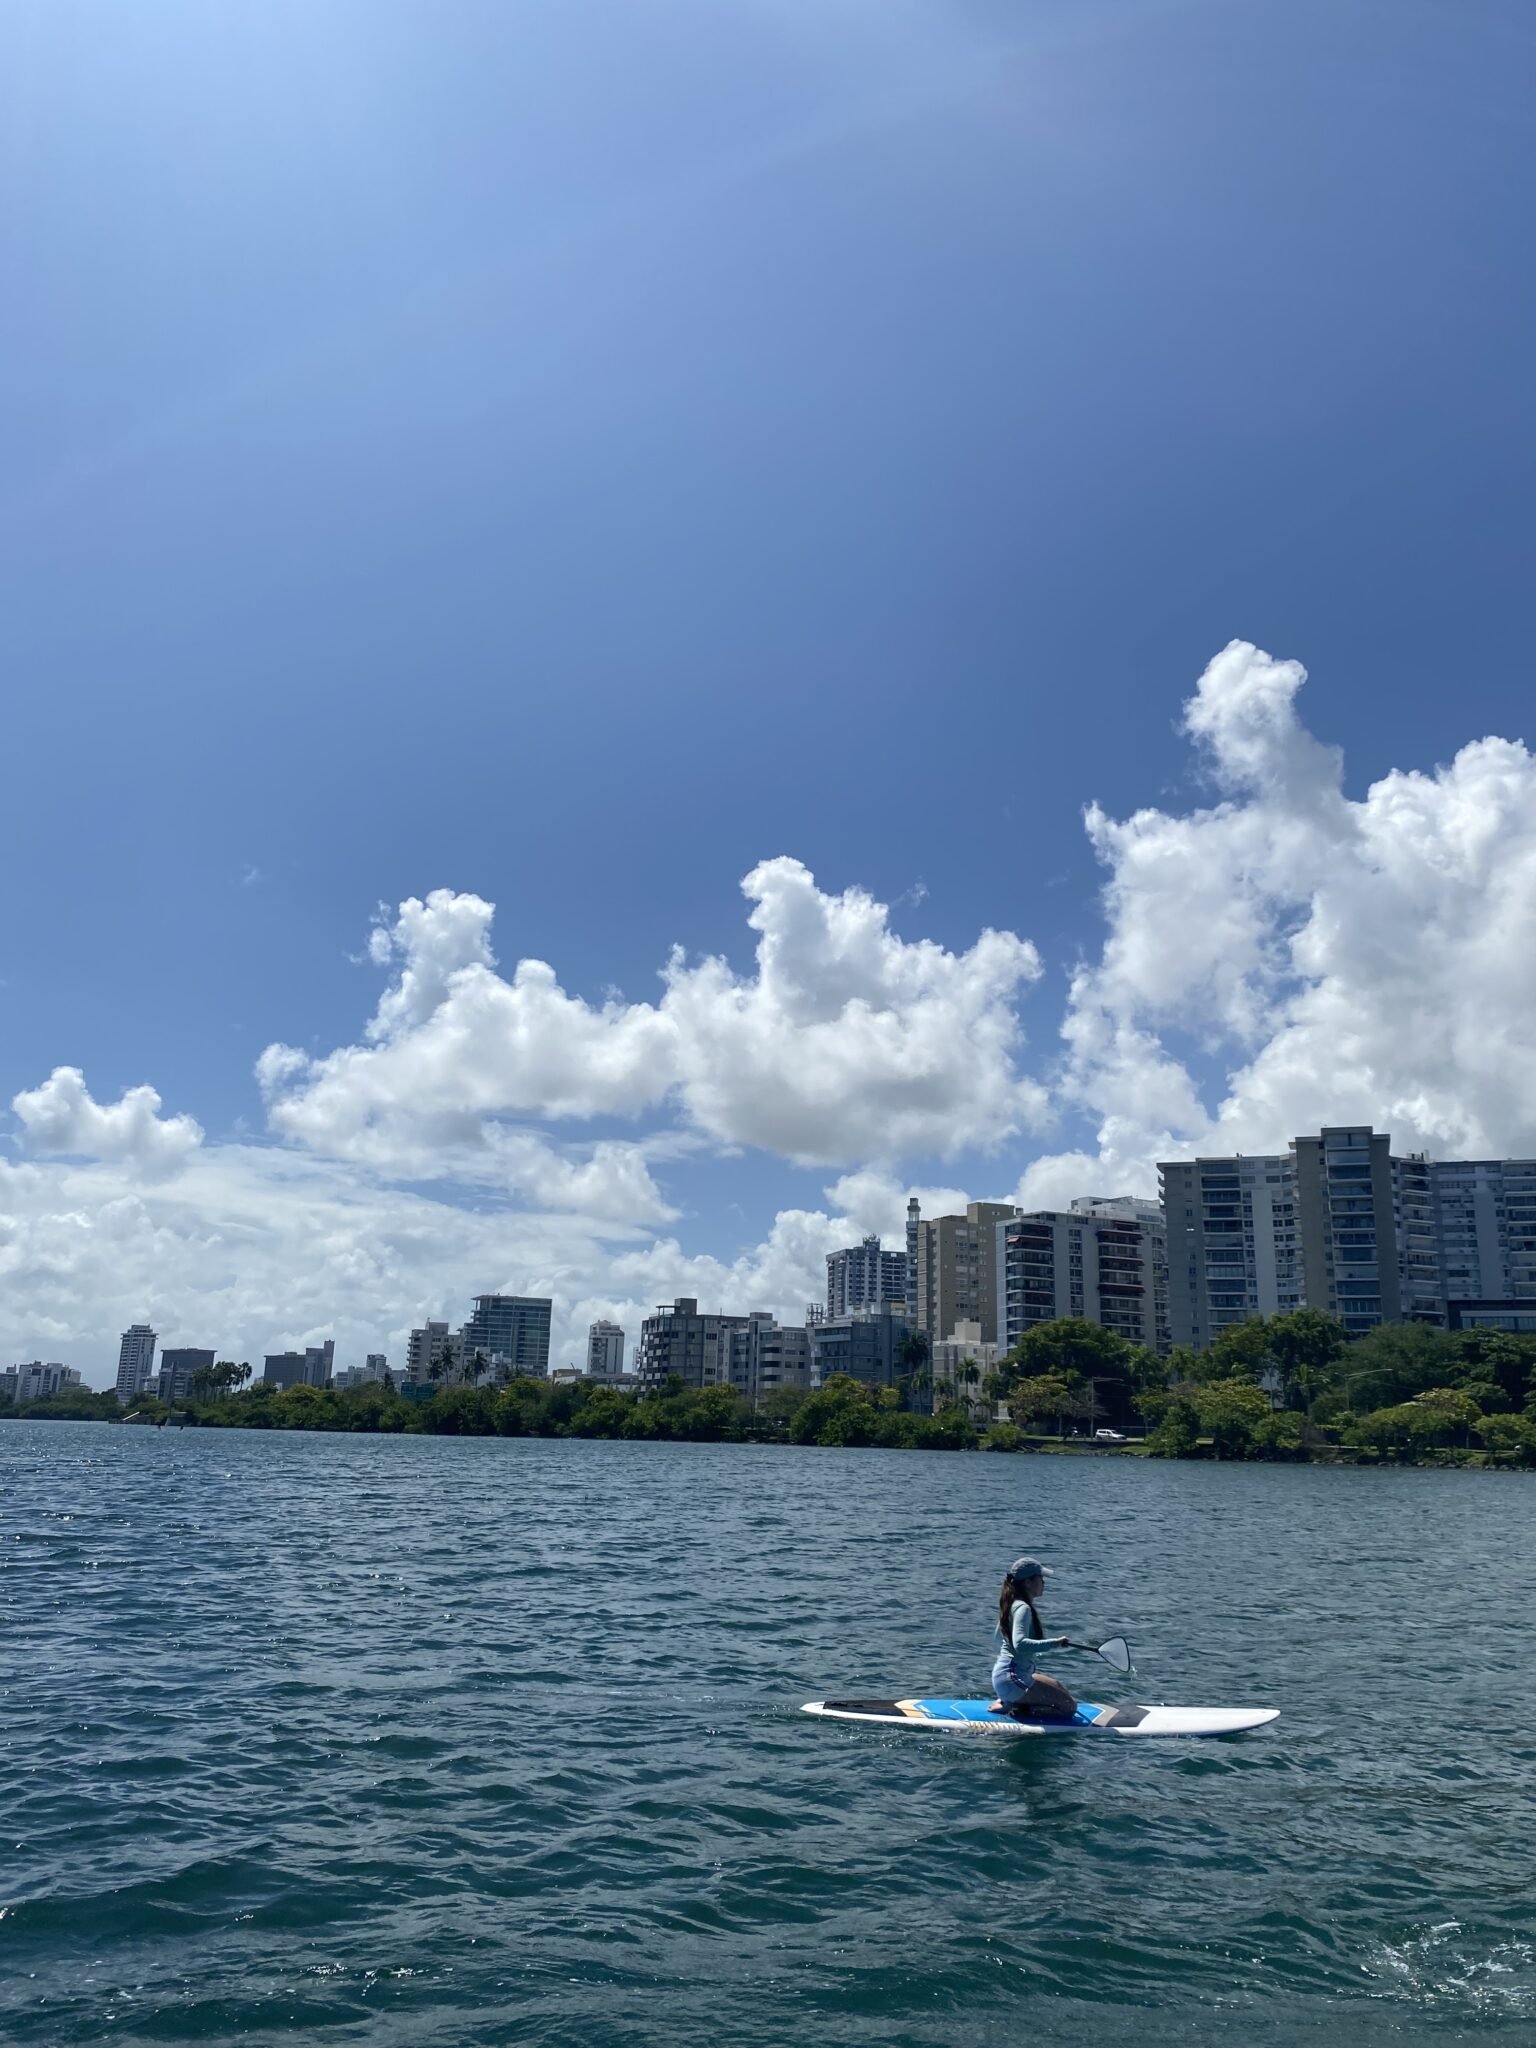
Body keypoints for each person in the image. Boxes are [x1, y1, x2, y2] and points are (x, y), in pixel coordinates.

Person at [989, 1555, 1079, 1721]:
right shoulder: (1023, 1608)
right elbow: (1020, 1644)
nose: (1044, 1583)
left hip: (1007, 1676)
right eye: (1041, 1578)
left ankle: (1010, 1699)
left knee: (1059, 1688)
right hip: (1012, 1680)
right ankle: (1016, 1707)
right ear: (1028, 1582)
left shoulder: (1012, 1604)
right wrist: (1055, 1643)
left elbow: (997, 1639)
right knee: (1069, 1708)